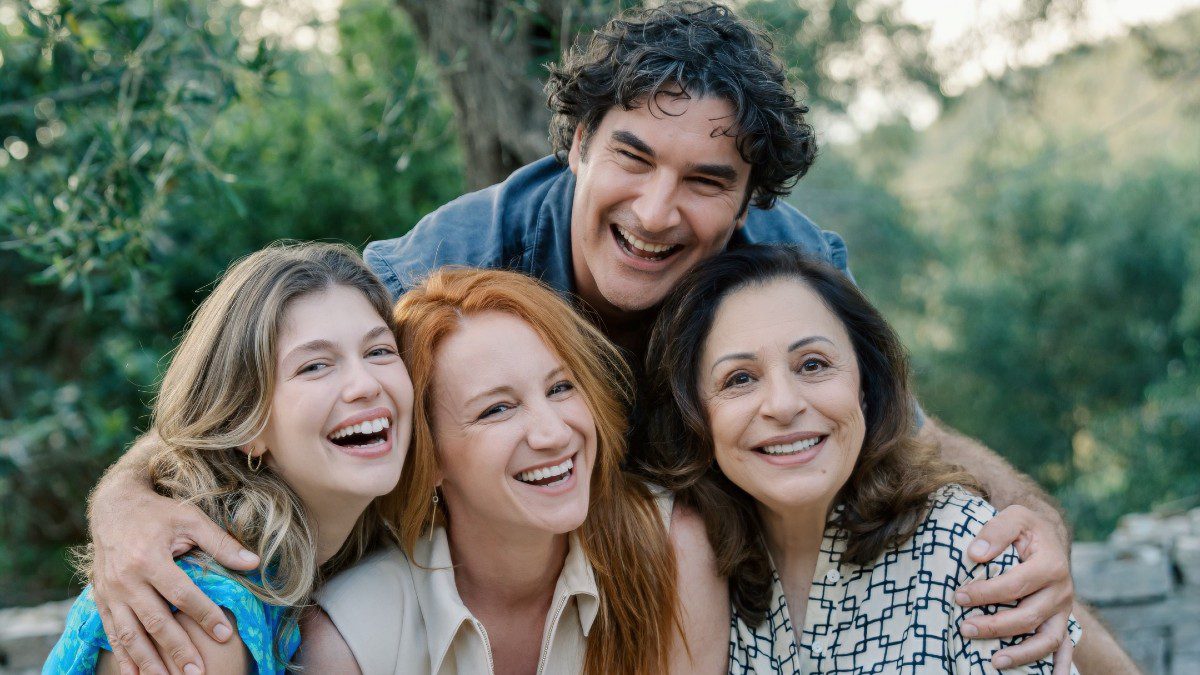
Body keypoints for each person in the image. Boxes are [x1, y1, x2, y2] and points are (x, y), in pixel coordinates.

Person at [82, 3, 1132, 673]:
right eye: (632, 156)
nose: (659, 209)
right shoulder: (460, 258)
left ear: (748, 203)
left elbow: (904, 430)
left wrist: (1031, 512)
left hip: (669, 582)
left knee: (1029, 593)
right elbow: (262, 393)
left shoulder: (779, 269)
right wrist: (124, 505)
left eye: (708, 181)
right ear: (575, 143)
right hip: (454, 589)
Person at [640, 245, 1082, 673]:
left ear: (866, 388)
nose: (783, 404)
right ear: (695, 416)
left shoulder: (971, 551)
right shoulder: (690, 567)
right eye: (739, 378)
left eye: (812, 365)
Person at [295, 267, 724, 674]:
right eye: (497, 409)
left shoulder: (670, 548)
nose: (554, 433)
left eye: (560, 387)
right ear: (429, 459)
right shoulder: (349, 639)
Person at [44, 243, 413, 674]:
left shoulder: (333, 553)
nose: (364, 384)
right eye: (314, 366)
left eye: (379, 351)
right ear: (247, 425)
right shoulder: (202, 614)